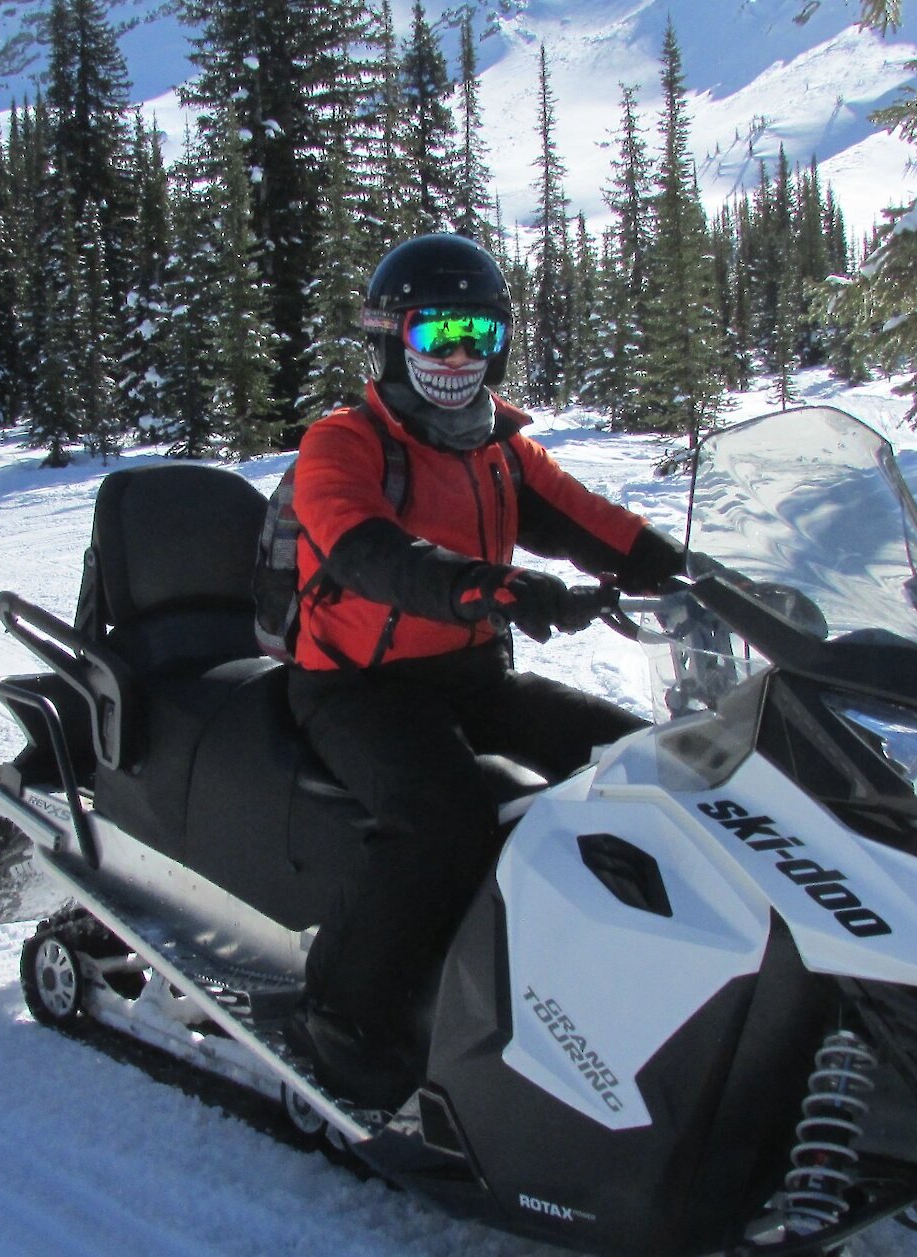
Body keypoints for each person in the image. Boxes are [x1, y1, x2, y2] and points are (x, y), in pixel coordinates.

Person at [285, 233, 687, 1108]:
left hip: (471, 677)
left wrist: (686, 569)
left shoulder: (500, 449)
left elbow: (589, 521)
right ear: (393, 338)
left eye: (481, 334)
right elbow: (371, 555)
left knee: (646, 762)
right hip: (355, 687)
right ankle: (342, 1016)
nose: (462, 359)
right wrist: (486, 587)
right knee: (447, 817)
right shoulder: (343, 445)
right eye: (439, 336)